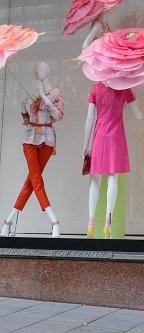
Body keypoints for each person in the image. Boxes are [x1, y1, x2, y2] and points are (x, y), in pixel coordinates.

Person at [1, 61, 64, 238]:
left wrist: (43, 97)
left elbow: (58, 116)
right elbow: (26, 117)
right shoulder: (31, 96)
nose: (38, 71)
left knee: (32, 181)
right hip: (30, 139)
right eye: (36, 69)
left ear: (49, 70)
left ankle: (8, 221)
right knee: (35, 179)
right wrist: (27, 104)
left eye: (41, 68)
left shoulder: (56, 93)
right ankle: (54, 220)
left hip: (47, 139)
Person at [82, 82, 142, 239]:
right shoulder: (124, 88)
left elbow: (89, 118)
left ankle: (90, 224)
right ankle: (108, 224)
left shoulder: (96, 88)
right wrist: (131, 104)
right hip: (115, 136)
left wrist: (85, 144)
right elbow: (139, 114)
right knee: (112, 177)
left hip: (99, 135)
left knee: (95, 179)